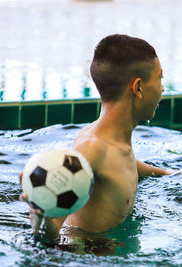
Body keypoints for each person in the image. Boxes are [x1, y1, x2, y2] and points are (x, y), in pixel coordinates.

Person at [19, 34, 171, 241]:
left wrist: (168, 174)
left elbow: (123, 164)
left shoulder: (114, 143)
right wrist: (41, 216)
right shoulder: (92, 148)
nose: (162, 88)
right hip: (88, 255)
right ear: (138, 87)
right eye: (159, 78)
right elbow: (52, 233)